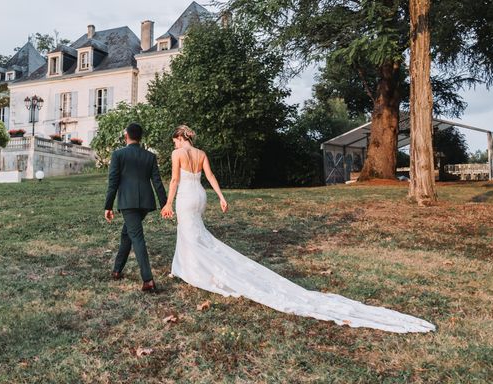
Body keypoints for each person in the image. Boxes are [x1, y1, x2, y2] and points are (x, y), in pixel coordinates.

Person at [161, 125, 435, 333]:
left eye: (174, 139)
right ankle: (183, 267)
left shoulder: (178, 153)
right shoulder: (200, 153)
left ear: (178, 138)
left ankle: (191, 270)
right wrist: (221, 197)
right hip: (201, 196)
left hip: (186, 196)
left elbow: (174, 180)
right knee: (196, 234)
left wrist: (167, 202)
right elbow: (210, 176)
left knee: (190, 234)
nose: (174, 143)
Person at [104, 123, 167, 292]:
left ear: (126, 136)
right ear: (140, 138)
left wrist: (108, 206)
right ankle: (117, 270)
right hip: (145, 204)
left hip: (128, 203)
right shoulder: (150, 156)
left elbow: (113, 183)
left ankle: (148, 280)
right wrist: (164, 204)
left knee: (136, 237)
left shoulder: (118, 155)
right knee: (128, 234)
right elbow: (158, 183)